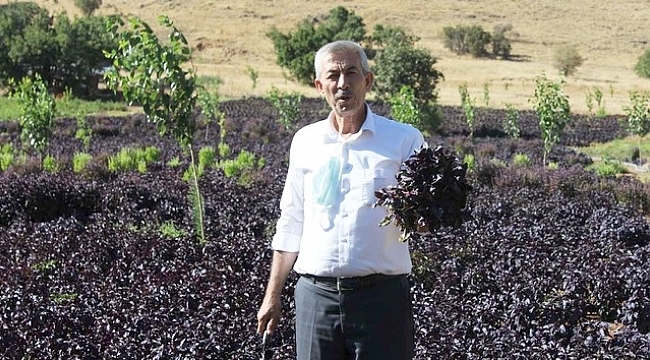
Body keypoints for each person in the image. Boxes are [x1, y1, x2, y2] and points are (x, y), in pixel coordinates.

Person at [257, 40, 426, 360]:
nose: (343, 83)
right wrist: (273, 295)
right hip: (316, 299)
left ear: (368, 80)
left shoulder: (404, 139)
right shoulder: (306, 141)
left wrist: (426, 219)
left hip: (382, 300)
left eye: (352, 73)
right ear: (320, 86)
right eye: (333, 75)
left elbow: (422, 215)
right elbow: (291, 220)